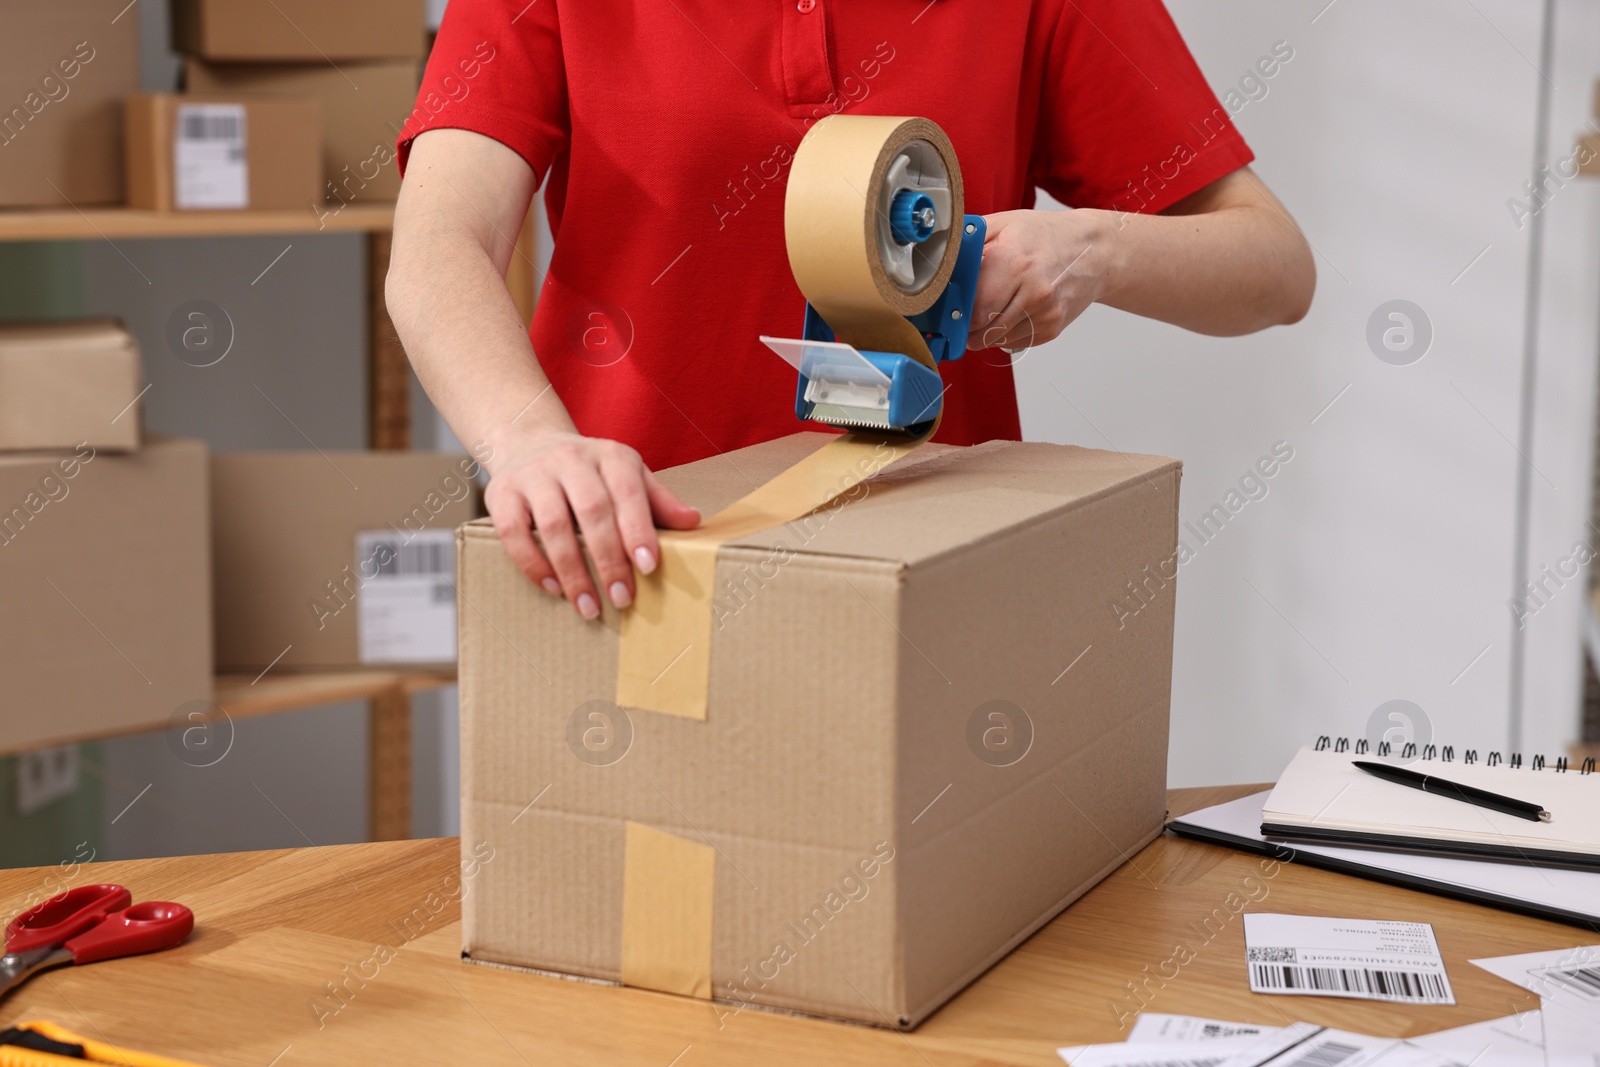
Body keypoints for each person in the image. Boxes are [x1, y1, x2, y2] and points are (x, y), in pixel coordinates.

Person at [388, 1, 1315, 621]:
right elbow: (437, 251)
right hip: (634, 571)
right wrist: (528, 444)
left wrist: (1093, 249)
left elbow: (1275, 267)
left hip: (930, 587)